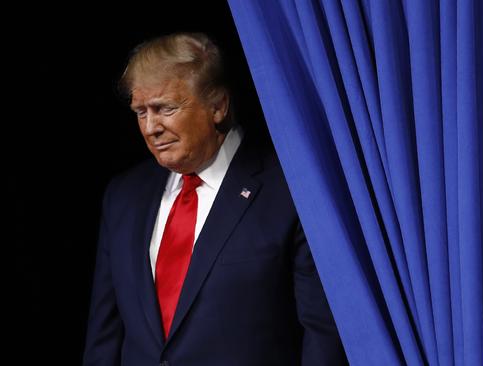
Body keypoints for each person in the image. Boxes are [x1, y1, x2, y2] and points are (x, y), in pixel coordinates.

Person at [83, 32, 347, 366]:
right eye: (140, 112)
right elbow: (104, 337)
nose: (151, 128)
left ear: (218, 106)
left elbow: (323, 335)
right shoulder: (124, 196)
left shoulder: (291, 189)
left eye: (164, 108)